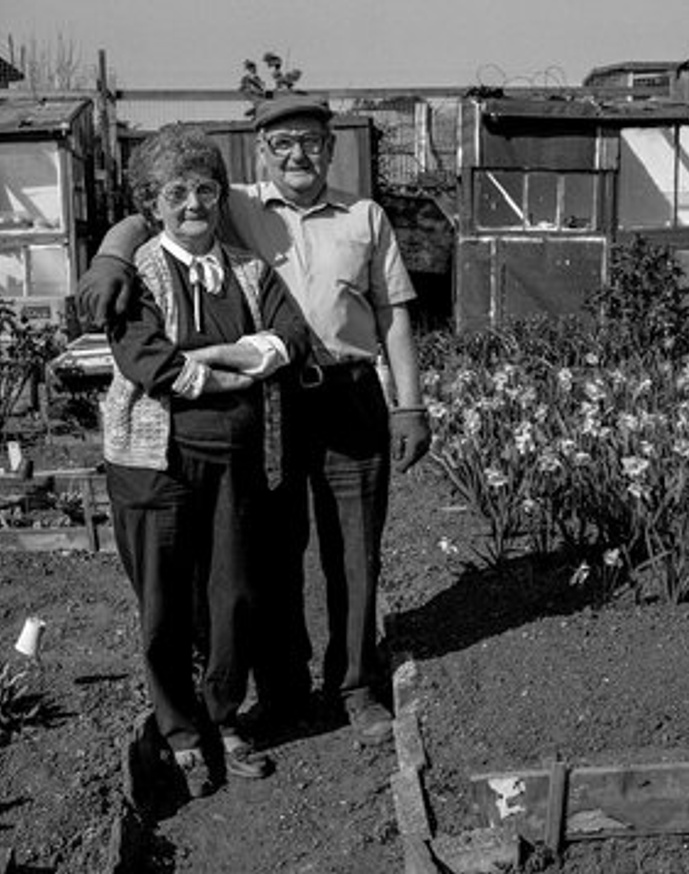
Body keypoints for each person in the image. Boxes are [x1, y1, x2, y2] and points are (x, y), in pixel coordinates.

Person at [79, 93, 432, 746]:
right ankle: (283, 685)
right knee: (271, 550)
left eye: (312, 142)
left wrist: (408, 404)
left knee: (355, 553)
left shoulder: (365, 216)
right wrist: (109, 256)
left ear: (331, 149)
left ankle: (355, 685)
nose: (298, 155)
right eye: (282, 144)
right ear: (262, 152)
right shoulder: (232, 200)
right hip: (275, 403)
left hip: (350, 396)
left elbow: (395, 314)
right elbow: (150, 211)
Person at [101, 122, 310, 796]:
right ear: (151, 204)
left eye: (206, 190)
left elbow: (291, 338)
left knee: (234, 594)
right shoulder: (136, 277)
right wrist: (237, 366)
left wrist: (218, 357)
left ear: (221, 197)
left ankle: (223, 716)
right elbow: (152, 365)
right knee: (164, 602)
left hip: (236, 463)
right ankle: (181, 732)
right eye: (176, 192)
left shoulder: (250, 270)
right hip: (153, 468)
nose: (194, 204)